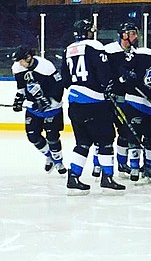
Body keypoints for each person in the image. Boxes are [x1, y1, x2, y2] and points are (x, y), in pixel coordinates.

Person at [61, 19, 125, 194]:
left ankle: (73, 177)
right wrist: (108, 87)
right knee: (105, 141)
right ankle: (107, 177)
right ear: (88, 31)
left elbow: (65, 79)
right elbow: (104, 72)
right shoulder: (95, 46)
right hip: (94, 103)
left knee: (82, 143)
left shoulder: (68, 50)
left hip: (74, 103)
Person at [118, 33, 151, 182]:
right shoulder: (141, 55)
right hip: (135, 102)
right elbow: (123, 67)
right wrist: (127, 75)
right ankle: (134, 167)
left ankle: (148, 167)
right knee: (134, 136)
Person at [11, 46, 67, 175]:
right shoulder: (18, 67)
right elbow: (21, 87)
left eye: (21, 61)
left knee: (52, 137)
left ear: (28, 57)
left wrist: (49, 101)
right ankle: (50, 156)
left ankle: (59, 162)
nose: (19, 63)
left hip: (52, 108)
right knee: (32, 136)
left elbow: (59, 85)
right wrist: (18, 100)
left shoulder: (46, 66)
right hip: (33, 109)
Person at [103, 22, 140, 177]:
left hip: (125, 100)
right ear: (124, 35)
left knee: (125, 132)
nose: (135, 37)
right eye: (132, 33)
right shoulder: (109, 50)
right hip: (107, 99)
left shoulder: (135, 53)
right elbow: (101, 72)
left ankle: (122, 164)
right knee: (104, 134)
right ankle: (98, 166)